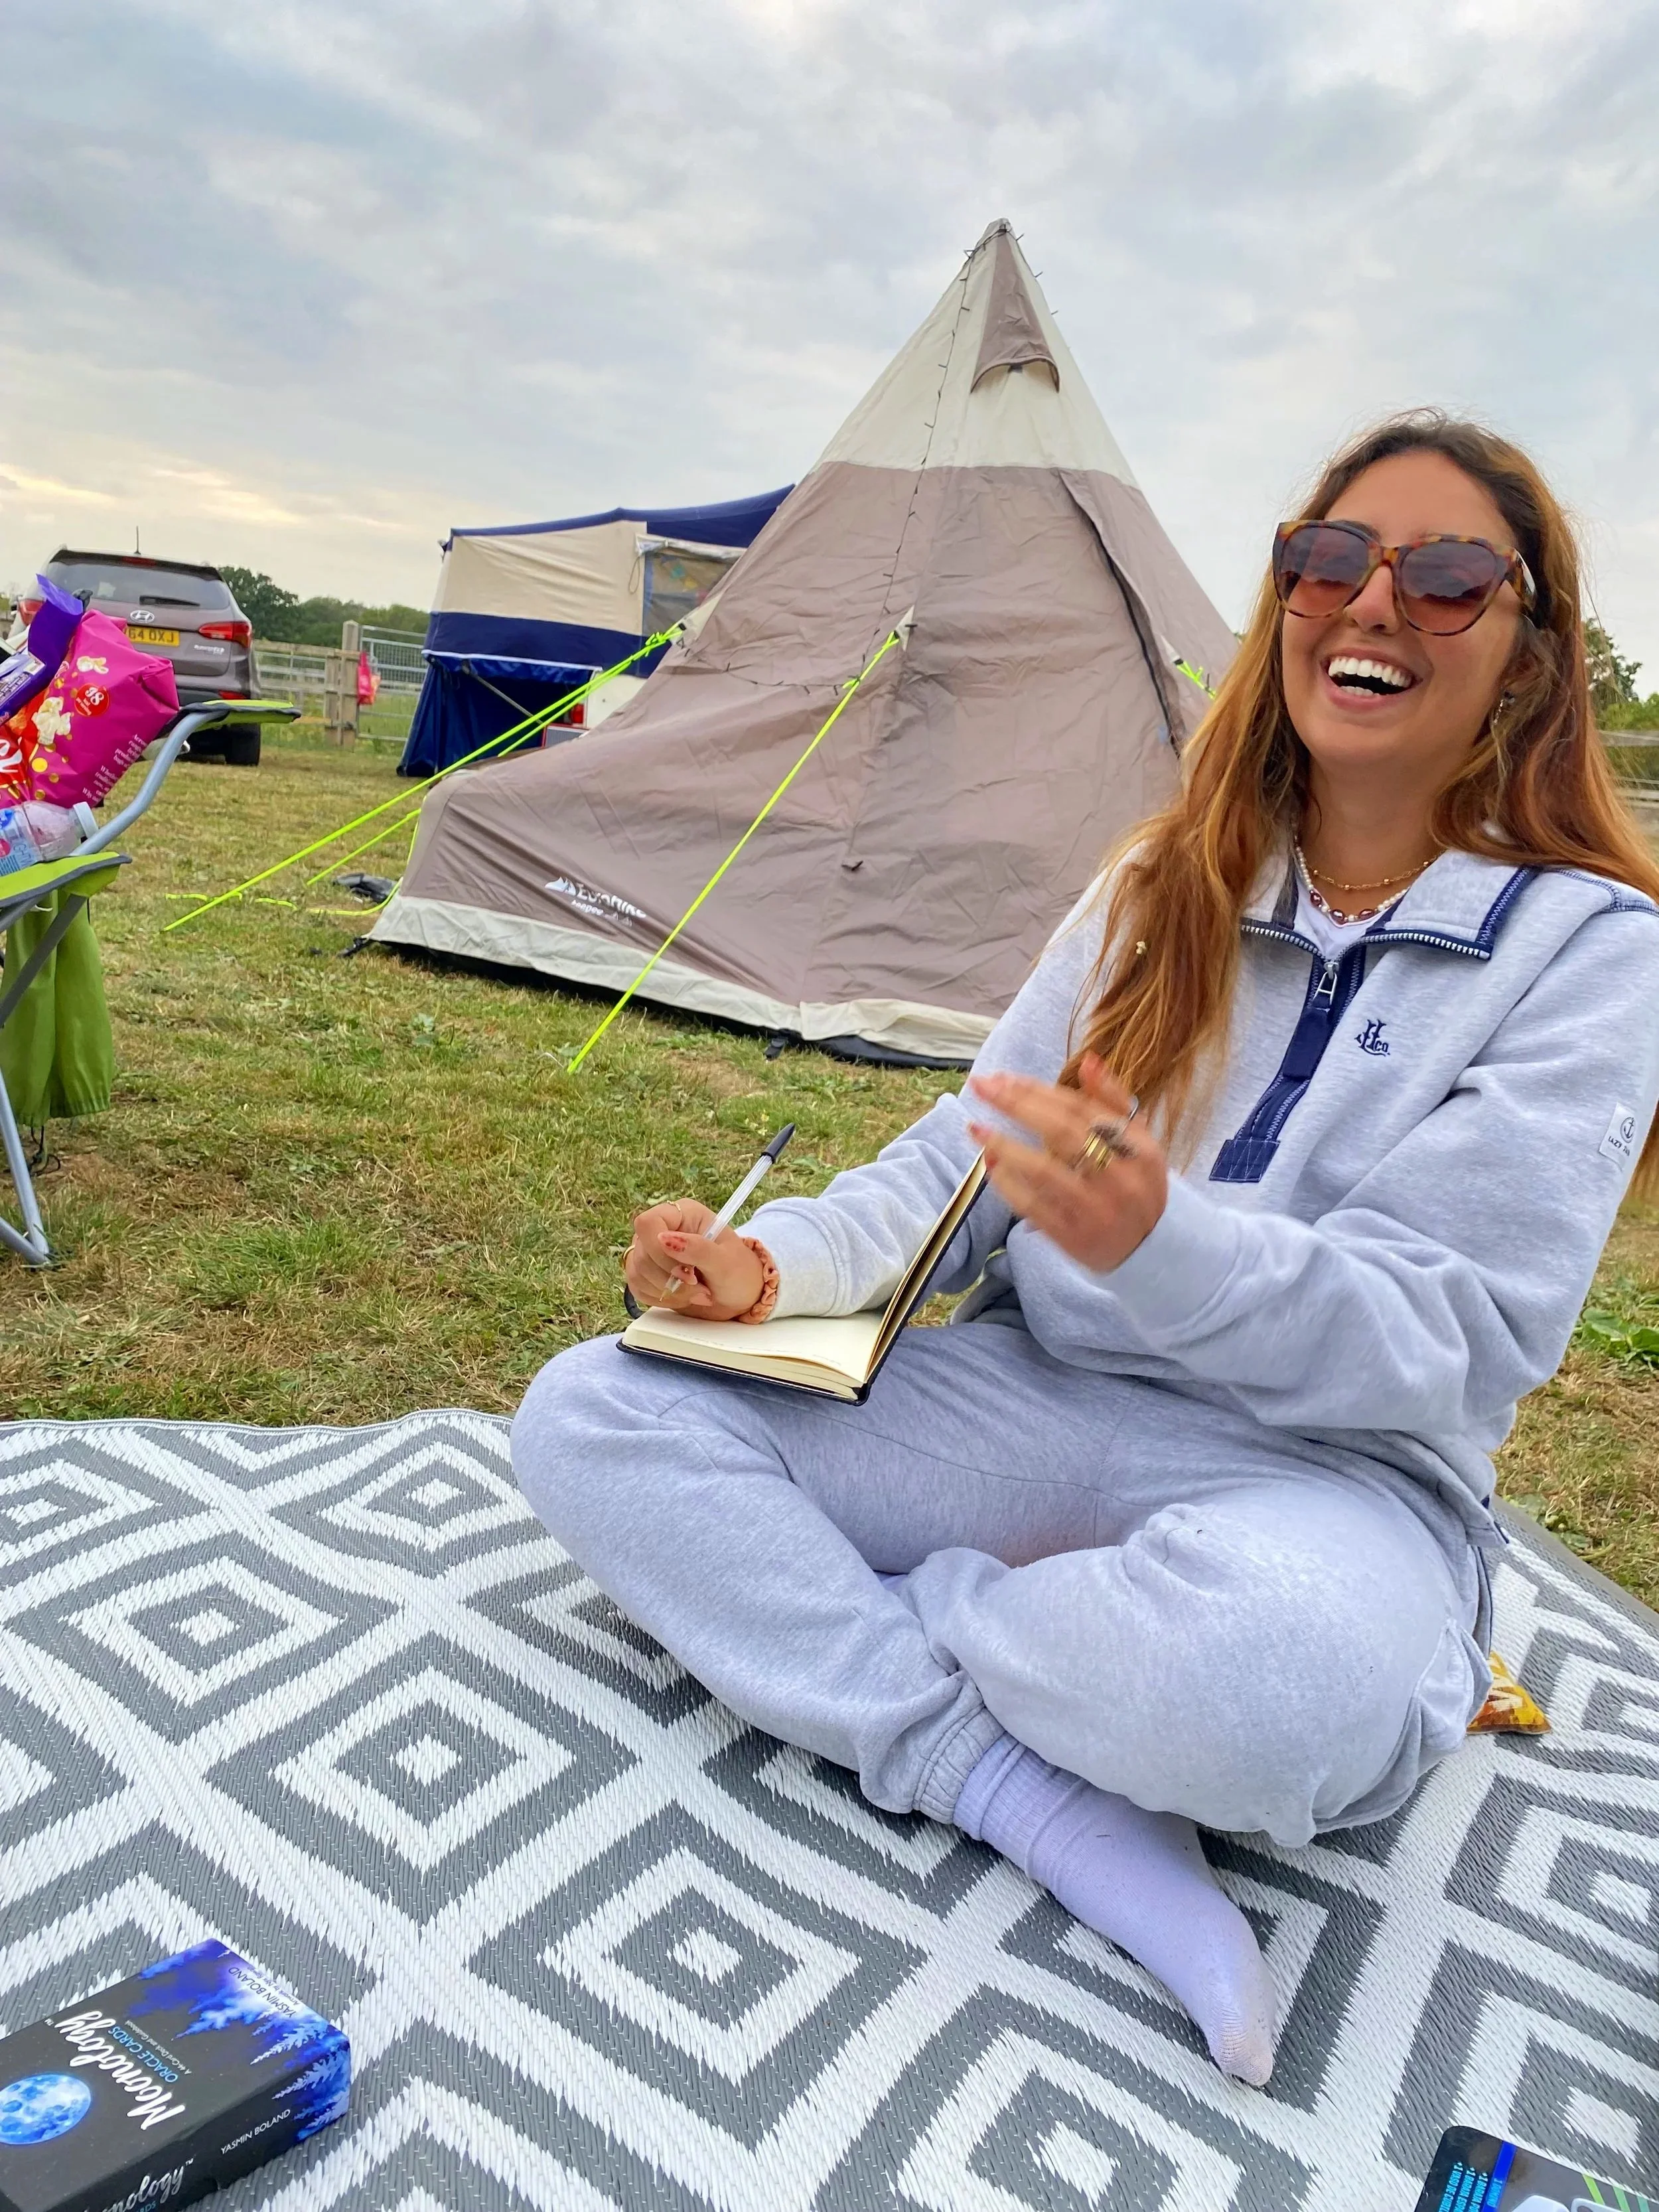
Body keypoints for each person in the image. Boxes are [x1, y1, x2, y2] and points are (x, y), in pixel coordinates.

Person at [512, 412, 1659, 2087]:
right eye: (1326, 560)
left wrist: (1162, 1242)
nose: (1369, 604)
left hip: (1326, 1479)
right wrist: (779, 1272)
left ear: (1530, 654)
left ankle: (882, 1621)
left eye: (1447, 575)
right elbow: (955, 1166)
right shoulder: (1156, 883)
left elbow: (1451, 1337)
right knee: (594, 1412)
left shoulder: (1588, 948)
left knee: (1271, 1694)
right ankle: (1003, 1774)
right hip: (1026, 1407)